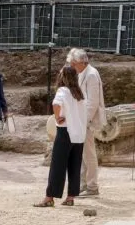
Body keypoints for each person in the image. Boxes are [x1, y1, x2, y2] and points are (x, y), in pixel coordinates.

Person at [39, 64, 86, 207]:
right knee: (74, 165)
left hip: (65, 131)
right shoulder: (79, 93)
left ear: (63, 77)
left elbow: (56, 104)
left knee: (58, 165)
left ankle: (49, 197)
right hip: (79, 133)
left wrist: (57, 117)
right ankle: (70, 197)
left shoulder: (63, 91)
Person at [71, 47, 106, 197]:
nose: (72, 66)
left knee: (89, 154)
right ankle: (84, 184)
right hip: (80, 119)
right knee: (82, 154)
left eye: (73, 63)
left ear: (81, 62)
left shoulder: (91, 75)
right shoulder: (83, 73)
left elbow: (93, 102)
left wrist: (84, 121)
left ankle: (92, 186)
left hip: (86, 121)